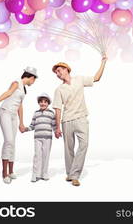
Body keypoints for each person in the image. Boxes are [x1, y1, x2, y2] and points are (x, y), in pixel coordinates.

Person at [52, 57, 107, 186]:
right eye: (56, 73)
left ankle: (74, 174)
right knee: (68, 149)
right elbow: (58, 108)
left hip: (81, 118)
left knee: (84, 144)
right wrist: (58, 127)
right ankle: (70, 174)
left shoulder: (79, 79)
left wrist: (103, 62)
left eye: (59, 71)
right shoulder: (59, 89)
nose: (58, 74)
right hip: (66, 121)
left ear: (66, 69)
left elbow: (97, 78)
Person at [0, 66, 38, 184]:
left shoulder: (24, 89)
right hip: (5, 112)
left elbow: (20, 106)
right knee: (8, 140)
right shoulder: (16, 83)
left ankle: (11, 171)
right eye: (34, 80)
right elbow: (8, 93)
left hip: (13, 116)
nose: (33, 82)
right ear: (31, 77)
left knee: (13, 143)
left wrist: (21, 122)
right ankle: (4, 172)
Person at [24, 93, 56, 182]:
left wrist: (57, 132)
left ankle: (44, 173)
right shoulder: (36, 113)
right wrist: (26, 129)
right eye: (41, 102)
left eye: (45, 102)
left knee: (46, 155)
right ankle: (35, 174)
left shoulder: (51, 113)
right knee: (37, 156)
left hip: (48, 138)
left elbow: (54, 125)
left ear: (48, 103)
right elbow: (32, 125)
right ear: (38, 103)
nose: (43, 103)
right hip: (37, 138)